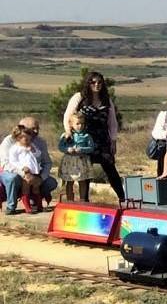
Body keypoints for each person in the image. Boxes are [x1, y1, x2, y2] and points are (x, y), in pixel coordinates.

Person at [63, 70, 123, 200]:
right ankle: (85, 201)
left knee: (110, 168)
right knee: (85, 171)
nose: (97, 85)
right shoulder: (79, 97)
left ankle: (123, 199)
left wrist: (113, 140)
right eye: (93, 82)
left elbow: (112, 122)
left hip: (103, 140)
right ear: (88, 83)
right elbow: (68, 116)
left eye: (100, 82)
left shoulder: (106, 100)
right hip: (84, 140)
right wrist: (69, 132)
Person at [2, 116, 59, 213]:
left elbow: (47, 162)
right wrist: (24, 173)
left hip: (34, 173)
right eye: (33, 128)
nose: (36, 131)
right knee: (12, 178)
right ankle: (11, 206)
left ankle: (35, 201)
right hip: (14, 172)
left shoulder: (39, 142)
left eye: (37, 128)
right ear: (22, 128)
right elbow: (6, 163)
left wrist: (41, 177)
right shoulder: (10, 142)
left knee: (51, 182)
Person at [56, 113, 96, 202]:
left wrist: (82, 149)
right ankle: (70, 200)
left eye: (82, 123)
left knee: (82, 181)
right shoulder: (66, 135)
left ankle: (82, 200)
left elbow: (91, 148)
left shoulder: (87, 136)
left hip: (81, 161)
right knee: (69, 181)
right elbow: (60, 147)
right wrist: (67, 149)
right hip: (69, 162)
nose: (80, 126)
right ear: (71, 124)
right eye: (77, 123)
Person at [4, 128, 45, 213]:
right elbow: (13, 161)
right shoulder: (15, 148)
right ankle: (27, 207)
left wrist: (33, 150)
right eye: (22, 137)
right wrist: (22, 167)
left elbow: (38, 154)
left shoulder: (32, 145)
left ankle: (39, 206)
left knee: (36, 188)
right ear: (17, 138)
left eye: (28, 137)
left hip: (34, 172)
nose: (26, 139)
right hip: (25, 172)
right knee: (26, 188)